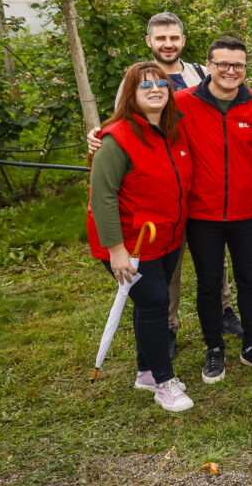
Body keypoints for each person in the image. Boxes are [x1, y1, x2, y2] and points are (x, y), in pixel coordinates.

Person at [93, 11, 240, 357]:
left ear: (183, 41)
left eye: (174, 37)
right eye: (161, 38)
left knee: (214, 259)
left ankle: (223, 311)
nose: (168, 44)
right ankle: (167, 325)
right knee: (165, 266)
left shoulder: (201, 74)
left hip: (200, 183)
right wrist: (98, 136)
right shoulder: (140, 78)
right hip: (160, 189)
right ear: (149, 42)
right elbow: (123, 124)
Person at [87, 61, 194, 412]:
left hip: (167, 237)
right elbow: (101, 196)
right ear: (130, 94)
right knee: (154, 302)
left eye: (161, 83)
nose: (154, 90)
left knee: (149, 303)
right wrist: (116, 250)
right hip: (131, 242)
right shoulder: (116, 137)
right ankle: (164, 381)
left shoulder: (174, 129)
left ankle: (146, 371)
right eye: (145, 86)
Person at [178, 37, 252, 384]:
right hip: (201, 213)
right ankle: (214, 348)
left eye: (238, 65)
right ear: (208, 65)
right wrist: (98, 133)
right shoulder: (182, 102)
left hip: (247, 212)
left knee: (250, 280)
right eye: (223, 64)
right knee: (209, 283)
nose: (230, 71)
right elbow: (136, 120)